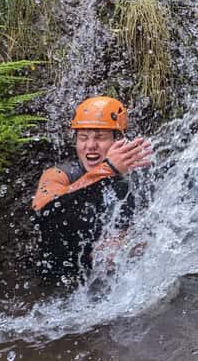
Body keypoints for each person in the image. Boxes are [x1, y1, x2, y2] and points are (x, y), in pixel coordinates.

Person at [32, 96, 153, 277]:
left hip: (110, 282)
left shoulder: (139, 180)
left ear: (118, 140)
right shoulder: (59, 174)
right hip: (58, 281)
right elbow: (44, 209)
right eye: (83, 138)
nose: (90, 146)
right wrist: (108, 169)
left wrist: (130, 243)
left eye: (100, 137)